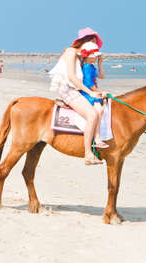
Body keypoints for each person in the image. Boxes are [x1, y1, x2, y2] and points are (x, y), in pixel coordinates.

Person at [49, 27, 106, 165]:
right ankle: (88, 154)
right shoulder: (71, 52)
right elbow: (72, 77)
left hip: (74, 88)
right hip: (67, 89)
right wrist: (90, 92)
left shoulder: (81, 57)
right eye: (93, 41)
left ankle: (96, 140)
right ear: (88, 40)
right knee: (92, 115)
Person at [78, 41, 108, 148]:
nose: (96, 57)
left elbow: (102, 76)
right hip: (88, 92)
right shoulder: (86, 67)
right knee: (99, 110)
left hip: (93, 91)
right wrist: (100, 92)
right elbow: (89, 84)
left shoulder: (91, 66)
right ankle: (97, 137)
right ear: (89, 56)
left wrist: (100, 63)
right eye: (95, 56)